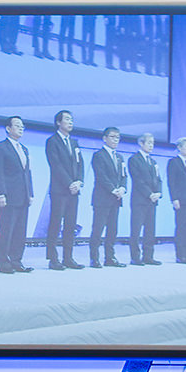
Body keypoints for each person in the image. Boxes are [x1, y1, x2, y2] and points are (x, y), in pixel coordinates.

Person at [0, 116, 35, 274]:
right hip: (8, 197)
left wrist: (31, 193)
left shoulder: (24, 149)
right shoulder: (0, 147)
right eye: (17, 126)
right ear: (8, 128)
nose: (21, 128)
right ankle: (3, 262)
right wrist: (0, 193)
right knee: (6, 230)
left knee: (20, 231)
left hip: (23, 196)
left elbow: (27, 173)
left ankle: (16, 260)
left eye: (22, 126)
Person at [45, 110, 85, 270]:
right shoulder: (52, 141)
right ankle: (53, 259)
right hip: (60, 189)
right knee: (55, 224)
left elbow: (80, 163)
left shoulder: (74, 142)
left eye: (71, 119)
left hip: (74, 190)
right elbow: (56, 165)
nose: (70, 122)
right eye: (67, 119)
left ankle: (68, 257)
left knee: (70, 225)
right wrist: (70, 183)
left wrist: (79, 182)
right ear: (58, 122)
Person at [89, 127, 128, 267]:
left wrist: (123, 188)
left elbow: (124, 176)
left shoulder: (119, 157)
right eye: (112, 137)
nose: (115, 140)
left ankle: (110, 258)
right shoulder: (98, 155)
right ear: (105, 138)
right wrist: (113, 189)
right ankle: (94, 258)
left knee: (112, 230)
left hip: (116, 199)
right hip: (102, 198)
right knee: (98, 229)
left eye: (118, 137)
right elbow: (101, 176)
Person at [128, 133, 163, 265]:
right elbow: (138, 180)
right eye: (149, 143)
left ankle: (148, 256)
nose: (151, 146)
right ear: (141, 144)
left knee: (150, 230)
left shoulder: (153, 161)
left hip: (152, 201)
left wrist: (159, 193)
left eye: (153, 143)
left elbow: (159, 179)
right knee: (136, 230)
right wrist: (149, 194)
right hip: (140, 200)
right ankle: (135, 257)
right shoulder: (134, 159)